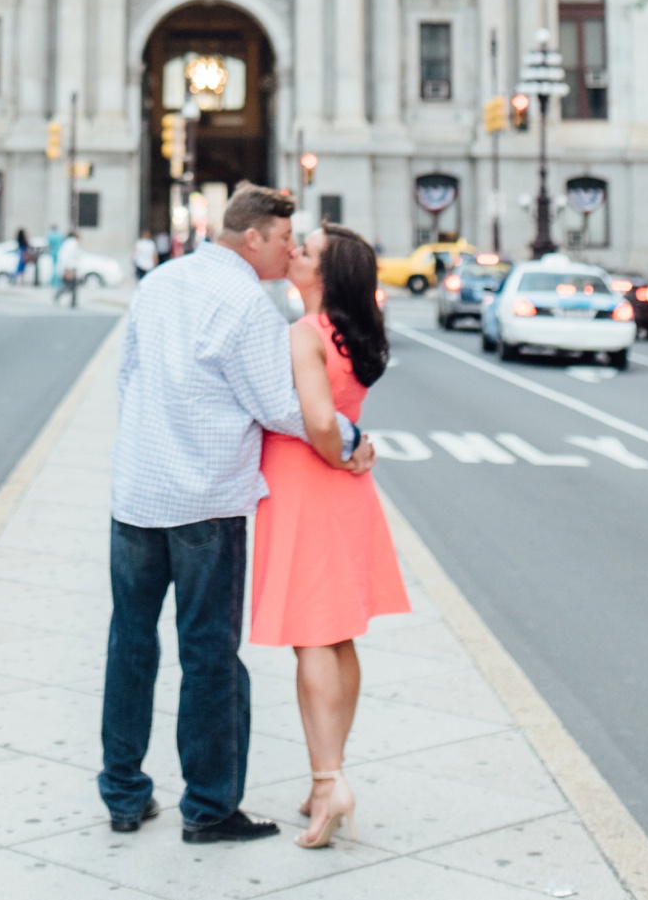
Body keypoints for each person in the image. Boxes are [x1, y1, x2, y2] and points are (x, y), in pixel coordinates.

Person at [98, 184, 375, 846]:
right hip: (207, 503)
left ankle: (124, 791)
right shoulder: (248, 304)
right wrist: (350, 436)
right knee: (210, 656)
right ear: (254, 238)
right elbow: (282, 406)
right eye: (285, 240)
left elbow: (128, 375)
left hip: (137, 493)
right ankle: (210, 806)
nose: (289, 251)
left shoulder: (160, 281)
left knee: (130, 645)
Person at [250, 224, 409, 847]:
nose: (294, 251)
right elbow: (341, 415)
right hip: (345, 495)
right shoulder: (351, 336)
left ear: (326, 274)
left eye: (306, 250)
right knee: (338, 635)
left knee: (311, 636)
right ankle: (327, 777)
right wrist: (353, 452)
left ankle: (328, 777)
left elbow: (318, 421)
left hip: (308, 485)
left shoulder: (305, 334)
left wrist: (340, 453)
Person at [55, 226, 82, 306]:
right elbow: (68, 257)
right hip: (69, 268)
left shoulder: (68, 242)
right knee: (72, 284)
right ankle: (70, 300)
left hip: (68, 267)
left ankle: (68, 298)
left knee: (71, 284)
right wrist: (68, 269)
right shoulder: (72, 243)